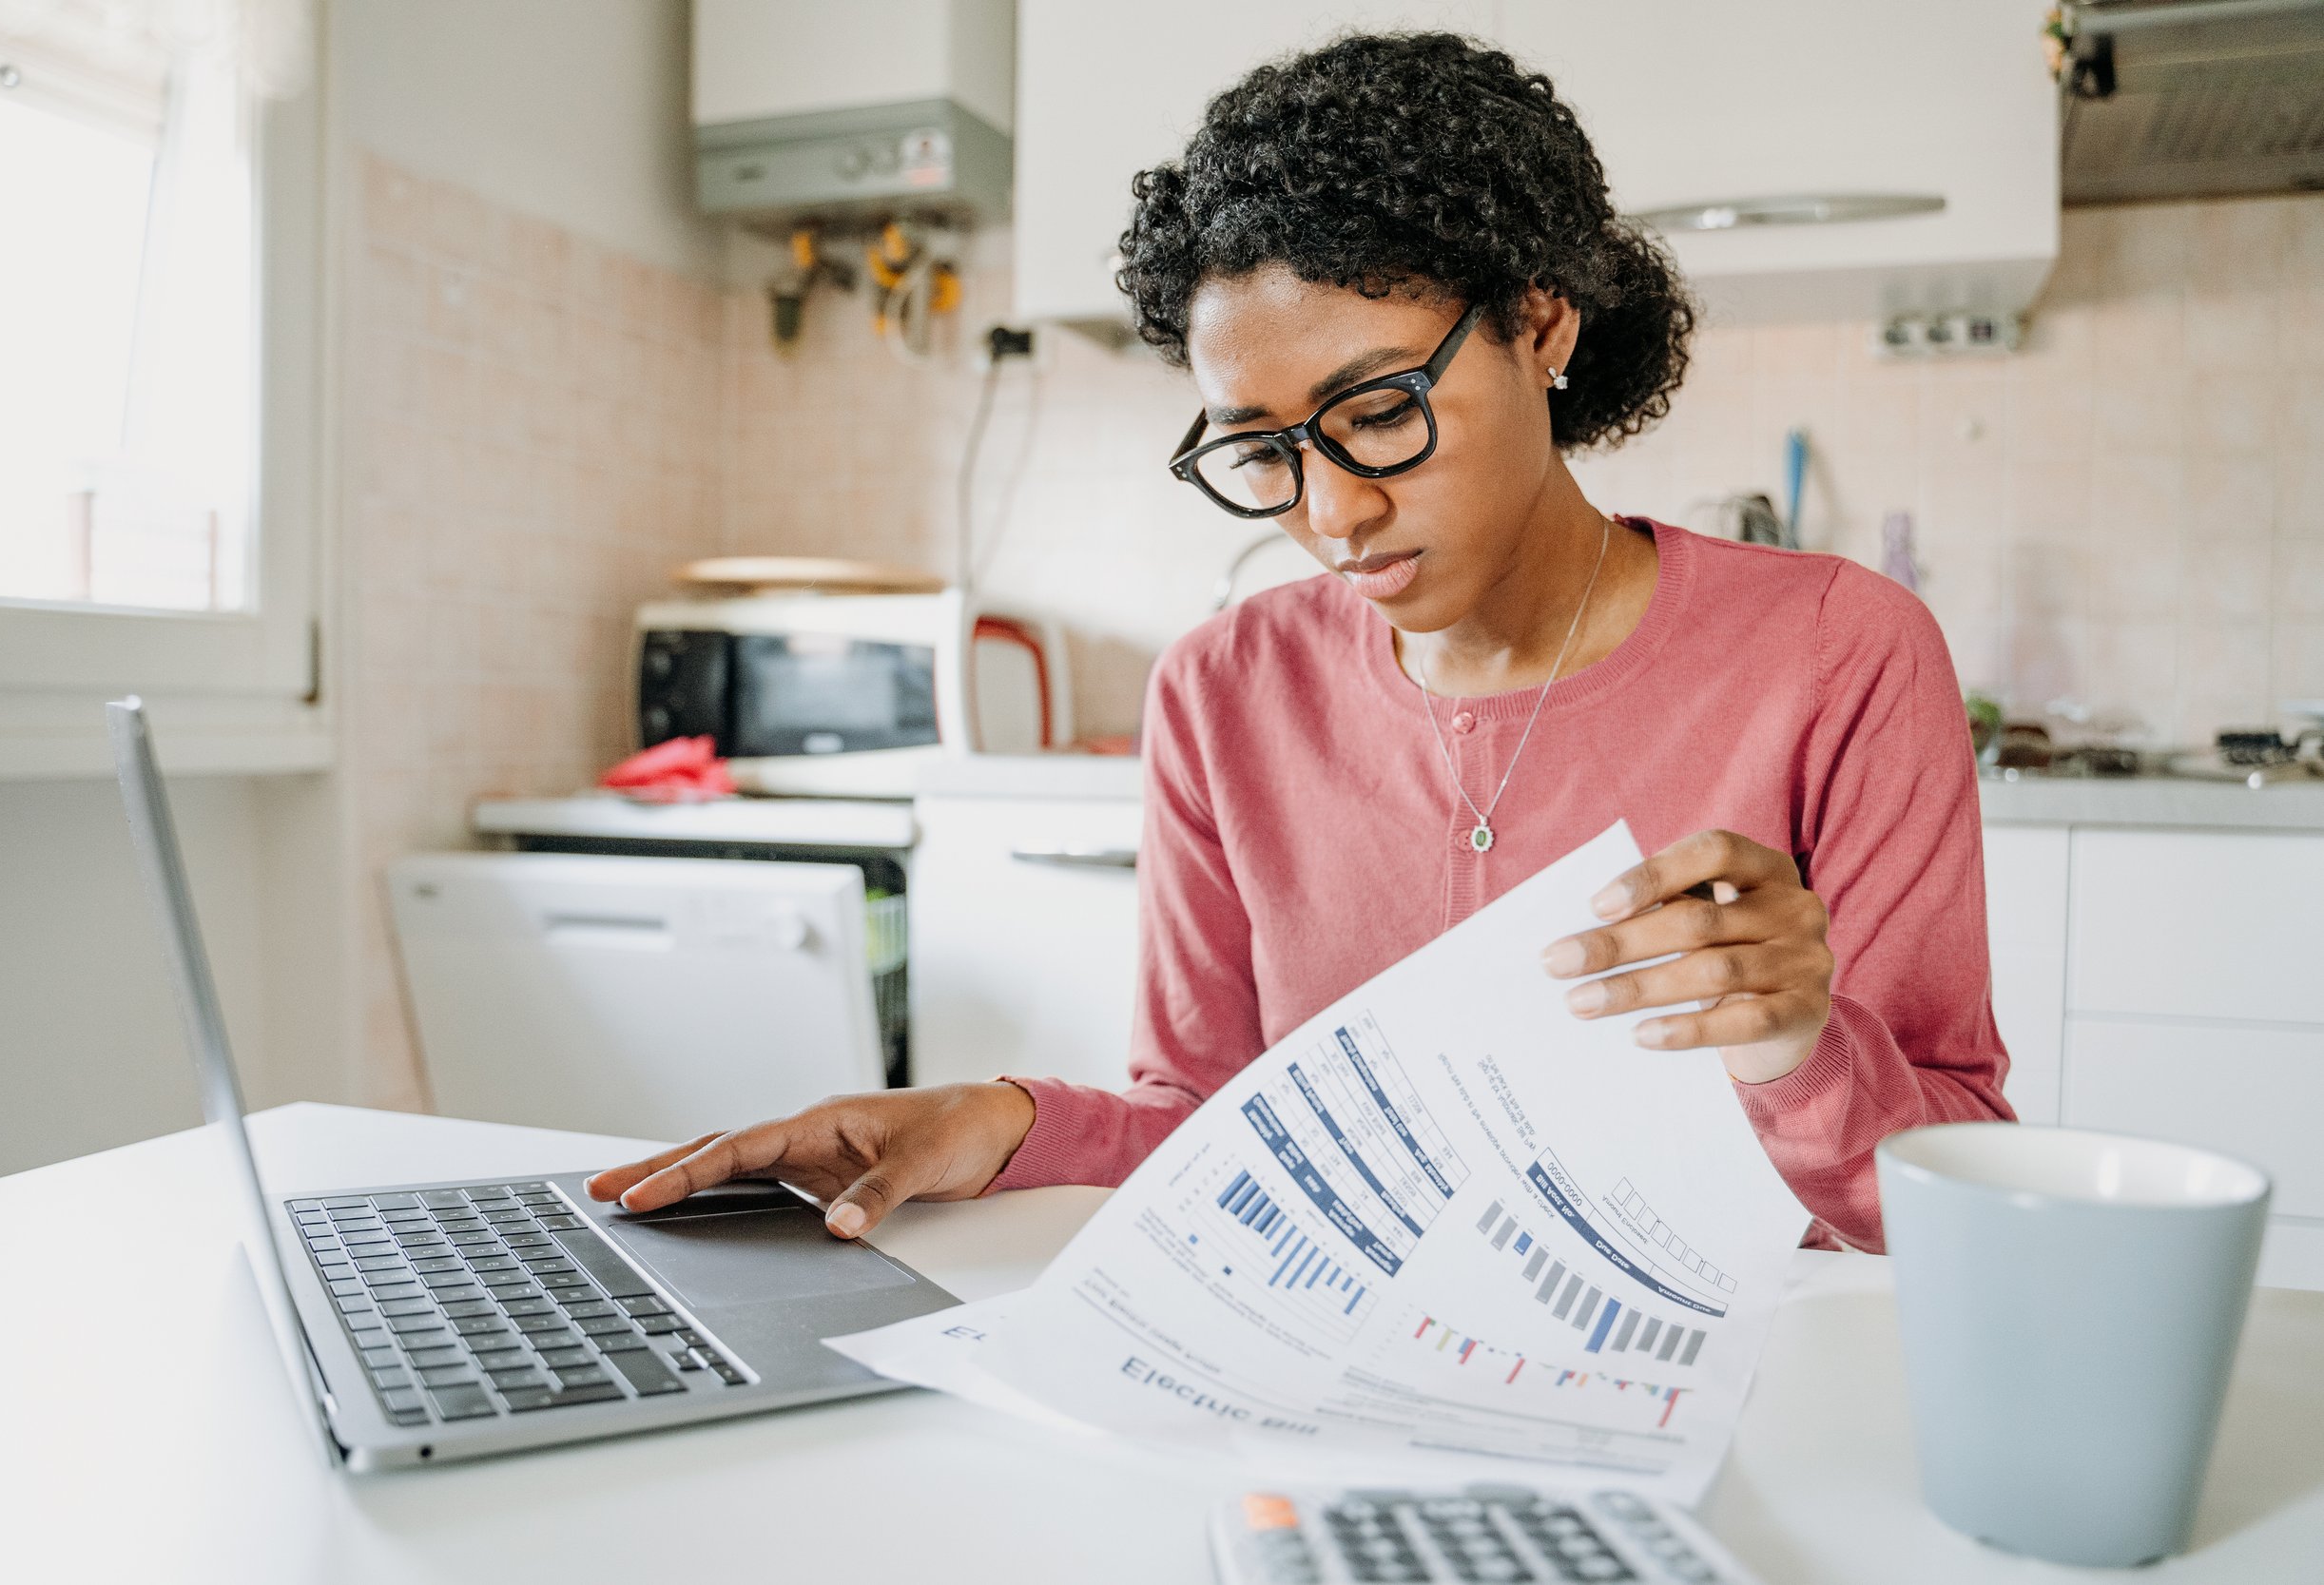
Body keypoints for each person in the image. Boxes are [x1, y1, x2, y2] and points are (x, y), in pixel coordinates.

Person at [588, 32, 2012, 1253]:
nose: (1332, 512)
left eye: (1379, 411)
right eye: (1261, 452)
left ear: (1542, 322)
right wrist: (1000, 1120)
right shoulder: (1221, 689)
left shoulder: (1837, 653)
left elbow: (1959, 1186)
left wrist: (1794, 1047)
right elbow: (1214, 1136)